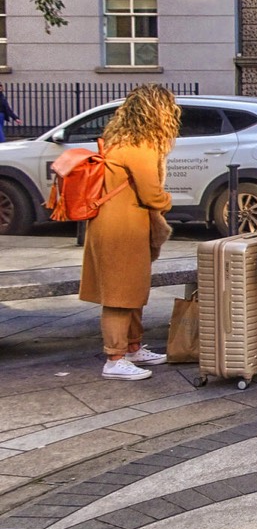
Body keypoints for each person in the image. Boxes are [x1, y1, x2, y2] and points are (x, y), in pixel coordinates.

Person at [79, 84, 179, 380]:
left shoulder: (120, 140)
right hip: (122, 228)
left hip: (116, 224)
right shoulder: (140, 146)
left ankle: (133, 347)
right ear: (156, 112)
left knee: (132, 290)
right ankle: (115, 358)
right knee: (119, 294)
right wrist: (168, 201)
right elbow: (152, 194)